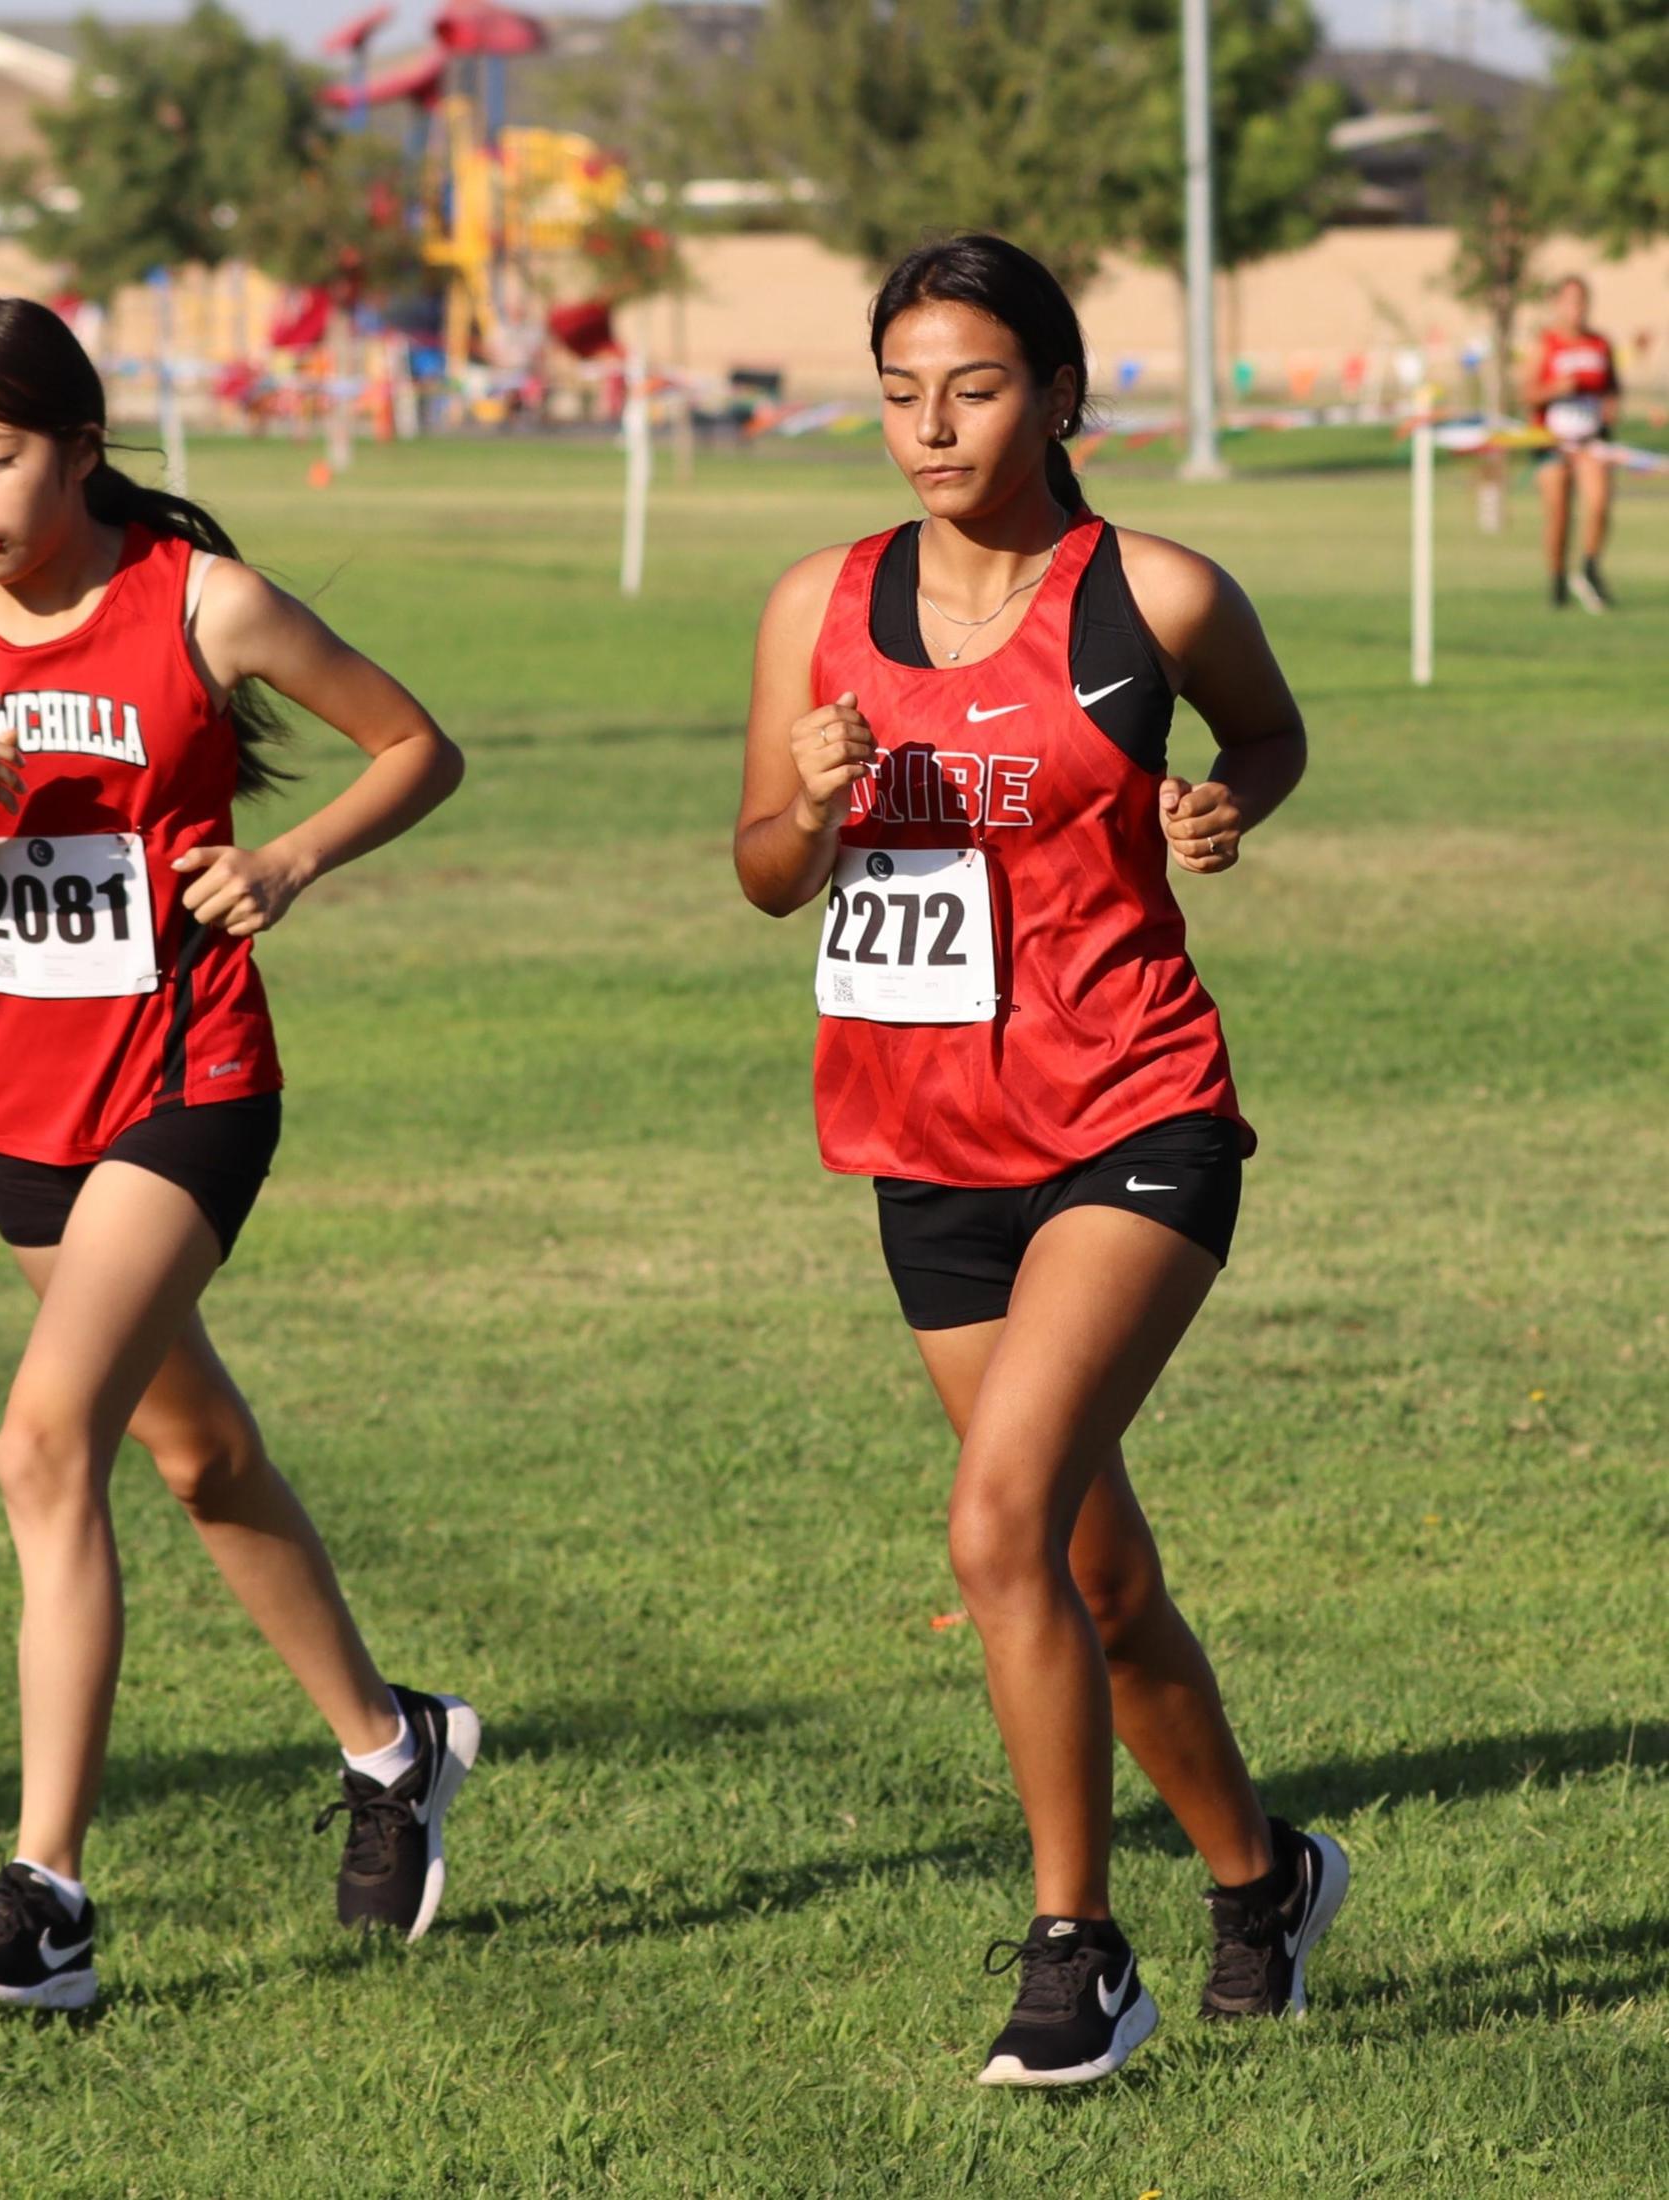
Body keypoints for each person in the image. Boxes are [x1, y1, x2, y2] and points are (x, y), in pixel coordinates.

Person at [733, 233, 1343, 2088]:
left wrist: (1223, 803)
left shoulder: (1152, 592)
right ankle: (1264, 1883)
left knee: (997, 1527)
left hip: (1134, 1115)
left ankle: (1079, 1953)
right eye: (900, 392)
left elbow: (1269, 732)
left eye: (975, 388)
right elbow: (763, 872)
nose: (931, 426)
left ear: (1062, 397)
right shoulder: (817, 604)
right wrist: (811, 803)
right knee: (1095, 1574)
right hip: (927, 1149)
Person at [0, 295, 479, 2011]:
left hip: (189, 1082)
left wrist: (288, 863)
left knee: (42, 1441)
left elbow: (419, 746)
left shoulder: (203, 603)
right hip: (19, 1112)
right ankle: (394, 1745)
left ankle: (44, 1898)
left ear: (81, 449)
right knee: (196, 1456)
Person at [1527, 275, 1620, 612]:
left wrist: (1611, 408)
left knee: (1598, 503)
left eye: (1582, 301)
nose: (1576, 308)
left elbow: (1612, 389)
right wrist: (1555, 389)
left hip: (1590, 440)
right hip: (1552, 442)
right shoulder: (1545, 343)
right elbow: (1527, 393)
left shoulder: (1600, 344)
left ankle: (1589, 569)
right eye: (1570, 301)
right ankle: (1557, 581)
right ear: (1557, 304)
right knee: (1559, 516)